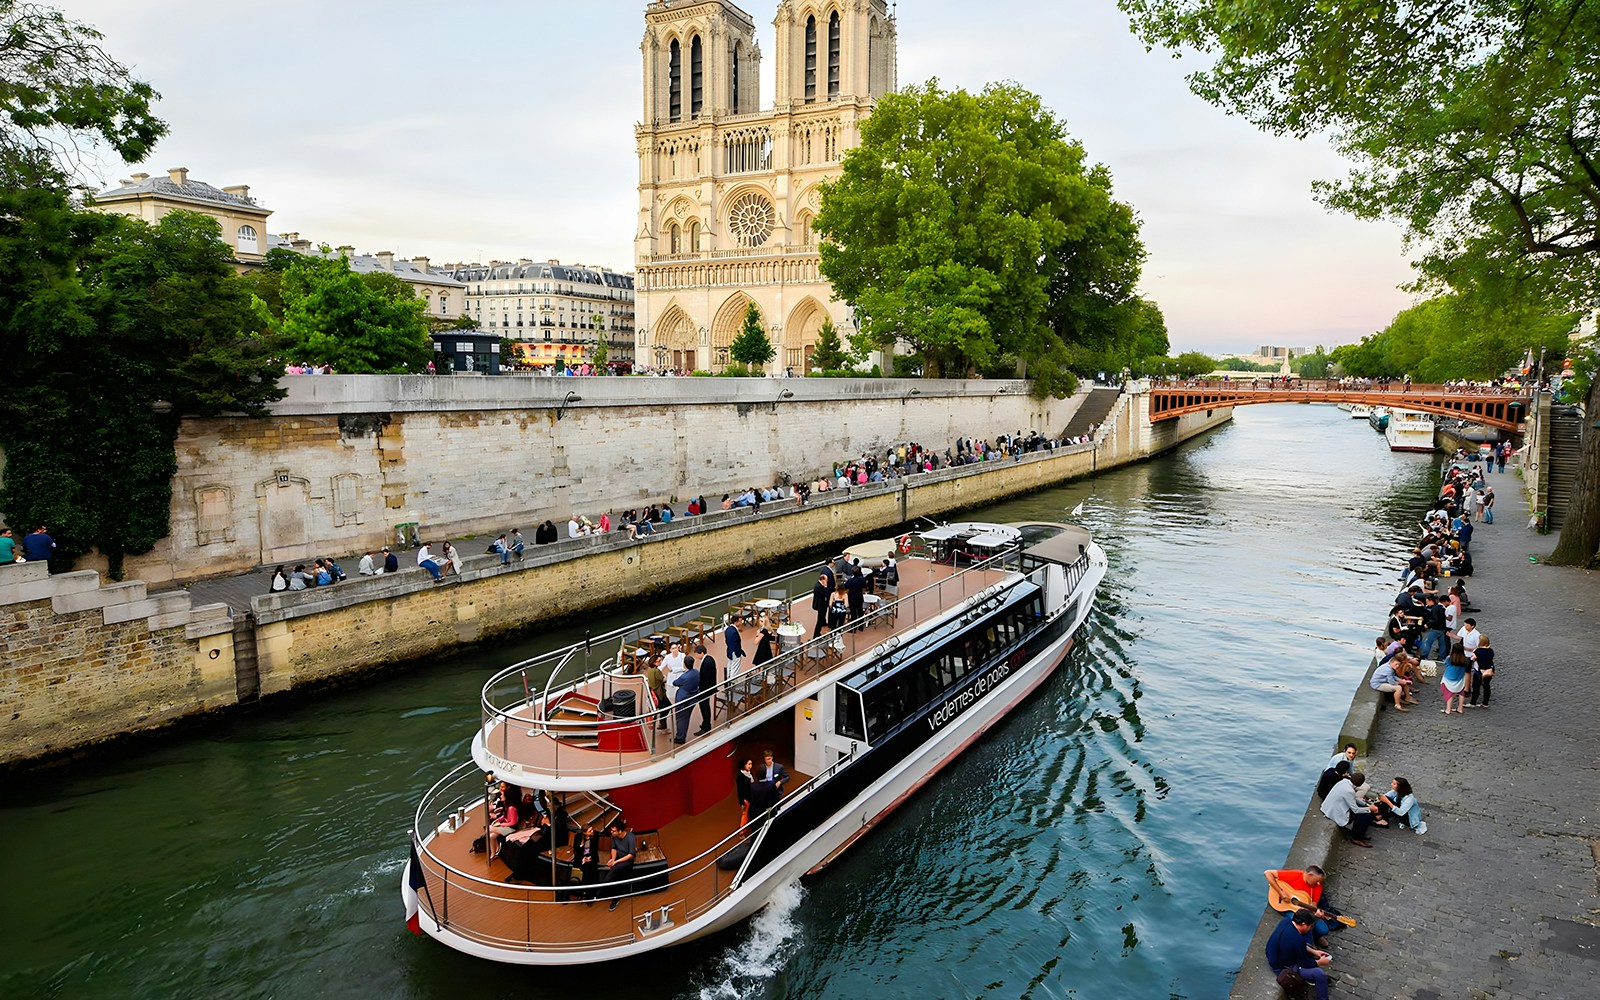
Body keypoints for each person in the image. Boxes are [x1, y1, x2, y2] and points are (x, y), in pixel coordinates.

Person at [1264, 866, 1342, 944]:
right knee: (1302, 925)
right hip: (1285, 907)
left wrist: (1316, 914)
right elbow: (1267, 873)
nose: (1318, 883)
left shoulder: (1317, 887)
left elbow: (1313, 907)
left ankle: (1316, 937)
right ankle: (1308, 945)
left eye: (1320, 882)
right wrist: (1280, 892)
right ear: (1309, 875)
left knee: (1323, 930)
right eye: (1317, 880)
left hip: (1303, 910)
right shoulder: (1296, 875)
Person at [1265, 909, 1333, 999]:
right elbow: (1305, 962)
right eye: (1310, 926)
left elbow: (1296, 946)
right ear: (1303, 924)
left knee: (1309, 952)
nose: (1310, 929)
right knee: (1320, 974)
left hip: (1274, 956)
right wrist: (1320, 962)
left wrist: (1314, 951)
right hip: (1282, 967)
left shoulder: (1285, 921)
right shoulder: (1297, 940)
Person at [1321, 770, 1379, 846]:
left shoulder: (1344, 782)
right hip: (1335, 813)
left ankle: (1359, 831)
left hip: (1329, 806)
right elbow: (1356, 810)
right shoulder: (1349, 791)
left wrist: (1366, 805)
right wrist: (1369, 809)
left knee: (1364, 810)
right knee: (1367, 816)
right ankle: (1357, 838)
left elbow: (1353, 799)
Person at [604, 820, 637, 910]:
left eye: (613, 831)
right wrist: (613, 860)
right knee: (615, 874)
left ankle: (605, 884)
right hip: (618, 859)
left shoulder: (630, 837)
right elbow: (614, 848)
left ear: (620, 831)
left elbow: (631, 855)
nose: (611, 832)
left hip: (627, 861)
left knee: (614, 871)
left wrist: (616, 862)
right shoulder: (614, 837)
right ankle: (615, 897)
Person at [487, 781, 520, 858]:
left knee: (489, 829)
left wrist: (501, 824)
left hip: (511, 828)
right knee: (491, 836)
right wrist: (499, 820)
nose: (501, 796)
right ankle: (494, 852)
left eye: (502, 795)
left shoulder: (511, 808)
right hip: (506, 826)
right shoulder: (506, 806)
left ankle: (497, 849)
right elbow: (505, 816)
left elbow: (513, 822)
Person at [671, 656, 700, 743]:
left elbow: (675, 682)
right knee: (686, 718)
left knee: (681, 719)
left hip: (683, 700)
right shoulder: (696, 672)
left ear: (684, 664)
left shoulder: (684, 677)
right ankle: (681, 735)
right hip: (693, 698)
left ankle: (680, 737)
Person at [1440, 645, 1472, 715]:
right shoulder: (1465, 660)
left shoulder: (1449, 658)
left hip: (1448, 679)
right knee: (1461, 693)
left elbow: (1445, 664)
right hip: (1460, 679)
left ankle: (1448, 709)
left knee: (1449, 693)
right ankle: (1460, 708)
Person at [695, 644, 717, 735]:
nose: (696, 656)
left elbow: (707, 678)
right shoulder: (709, 659)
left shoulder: (707, 662)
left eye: (697, 654)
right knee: (705, 706)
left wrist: (701, 689)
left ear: (701, 653)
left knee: (704, 707)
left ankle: (706, 726)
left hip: (705, 689)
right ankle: (705, 724)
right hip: (708, 688)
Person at [1468, 636, 1495, 708]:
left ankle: (1473, 702)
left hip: (1479, 672)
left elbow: (1472, 659)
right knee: (1486, 687)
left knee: (1476, 687)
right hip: (1488, 671)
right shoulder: (1490, 651)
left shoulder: (1477, 652)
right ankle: (1485, 703)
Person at [810, 572, 832, 637]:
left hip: (822, 604)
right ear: (822, 580)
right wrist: (825, 586)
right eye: (826, 579)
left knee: (821, 619)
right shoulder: (818, 587)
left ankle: (822, 625)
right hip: (821, 605)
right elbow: (826, 594)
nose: (827, 581)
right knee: (819, 620)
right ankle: (816, 634)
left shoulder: (818, 585)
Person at [736, 758, 755, 828]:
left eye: (751, 764)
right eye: (749, 764)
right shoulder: (740, 777)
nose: (750, 766)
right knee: (745, 816)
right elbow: (740, 791)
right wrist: (742, 803)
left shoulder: (749, 773)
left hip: (751, 797)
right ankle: (742, 833)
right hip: (746, 799)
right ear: (744, 765)